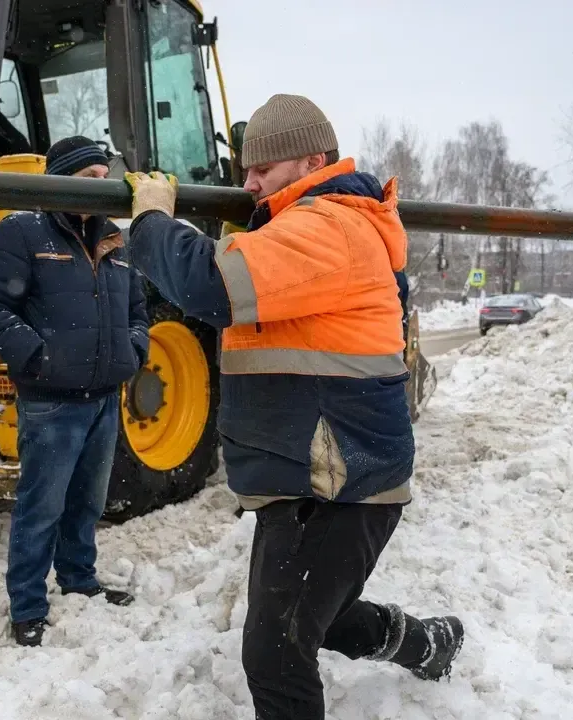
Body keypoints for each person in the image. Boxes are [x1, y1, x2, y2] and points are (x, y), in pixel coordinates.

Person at [123, 95, 463, 718]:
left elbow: (212, 287)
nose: (247, 183)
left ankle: (427, 643)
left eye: (263, 170)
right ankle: (427, 643)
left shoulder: (330, 226)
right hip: (310, 473)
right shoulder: (298, 227)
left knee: (277, 650)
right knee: (315, 621)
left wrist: (150, 223)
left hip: (341, 483)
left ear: (312, 160)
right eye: (246, 170)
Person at [0, 136, 149, 648]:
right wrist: (36, 355)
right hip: (51, 401)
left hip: (105, 398)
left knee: (87, 502)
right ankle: (27, 607)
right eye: (90, 178)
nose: (103, 187)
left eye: (105, 176)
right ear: (62, 178)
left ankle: (80, 582)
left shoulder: (115, 240)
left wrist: (133, 350)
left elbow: (138, 311)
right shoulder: (23, 231)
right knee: (41, 506)